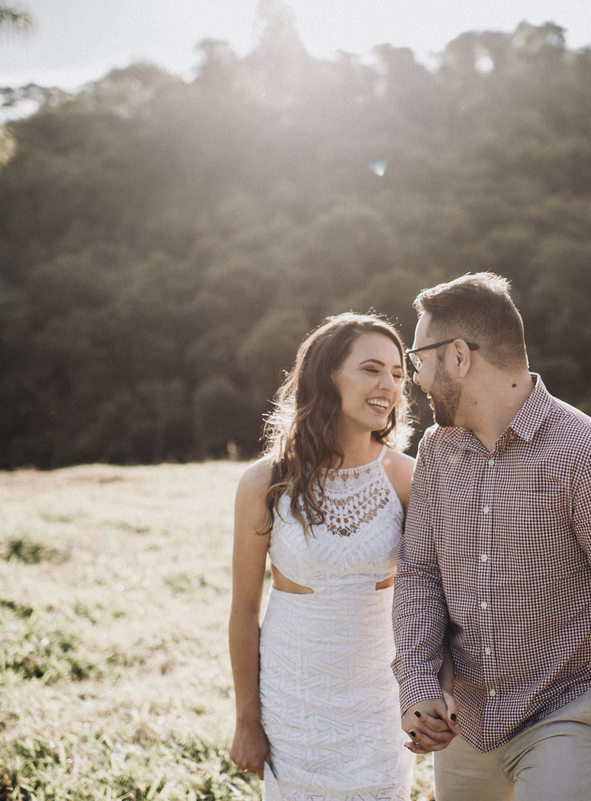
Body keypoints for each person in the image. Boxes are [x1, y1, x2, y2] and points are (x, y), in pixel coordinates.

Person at [392, 272, 591, 801]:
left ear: (458, 356)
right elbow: (419, 574)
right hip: (466, 719)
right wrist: (417, 685)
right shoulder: (436, 450)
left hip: (568, 707)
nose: (416, 379)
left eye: (418, 360)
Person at [227, 312, 418, 800]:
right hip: (294, 697)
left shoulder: (407, 477)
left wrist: (432, 691)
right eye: (371, 369)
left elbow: (432, 594)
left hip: (379, 697)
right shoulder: (265, 482)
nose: (389, 385)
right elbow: (245, 611)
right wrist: (247, 718)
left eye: (397, 374)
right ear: (327, 374)